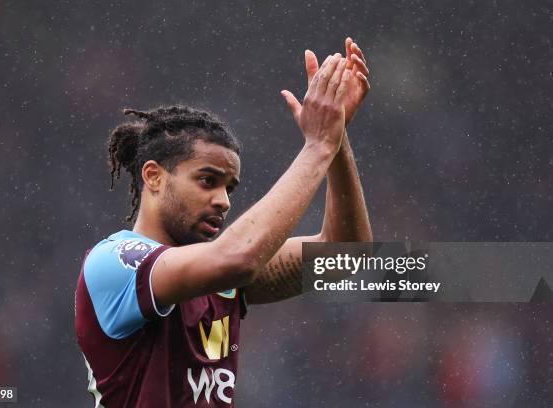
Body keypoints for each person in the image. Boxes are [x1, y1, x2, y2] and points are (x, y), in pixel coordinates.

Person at [75, 37, 372, 407]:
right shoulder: (117, 262)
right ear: (153, 176)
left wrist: (336, 137)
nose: (223, 200)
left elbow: (348, 255)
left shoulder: (218, 279)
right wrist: (316, 146)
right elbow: (238, 257)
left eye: (229, 187)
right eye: (207, 181)